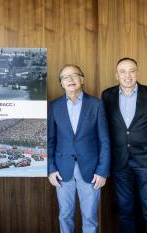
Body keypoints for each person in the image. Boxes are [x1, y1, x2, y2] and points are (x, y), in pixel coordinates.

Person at [48, 64, 110, 233]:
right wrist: (51, 169)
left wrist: (102, 171)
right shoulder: (54, 107)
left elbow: (104, 140)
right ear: (61, 83)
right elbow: (50, 141)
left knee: (90, 216)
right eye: (65, 77)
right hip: (62, 170)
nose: (70, 79)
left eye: (74, 75)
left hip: (91, 170)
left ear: (81, 80)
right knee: (65, 215)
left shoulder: (96, 104)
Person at [101, 57, 147, 233]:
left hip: (145, 160)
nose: (127, 75)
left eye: (131, 71)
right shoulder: (107, 95)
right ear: (116, 75)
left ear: (137, 73)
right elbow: (104, 127)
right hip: (120, 162)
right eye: (123, 71)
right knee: (125, 209)